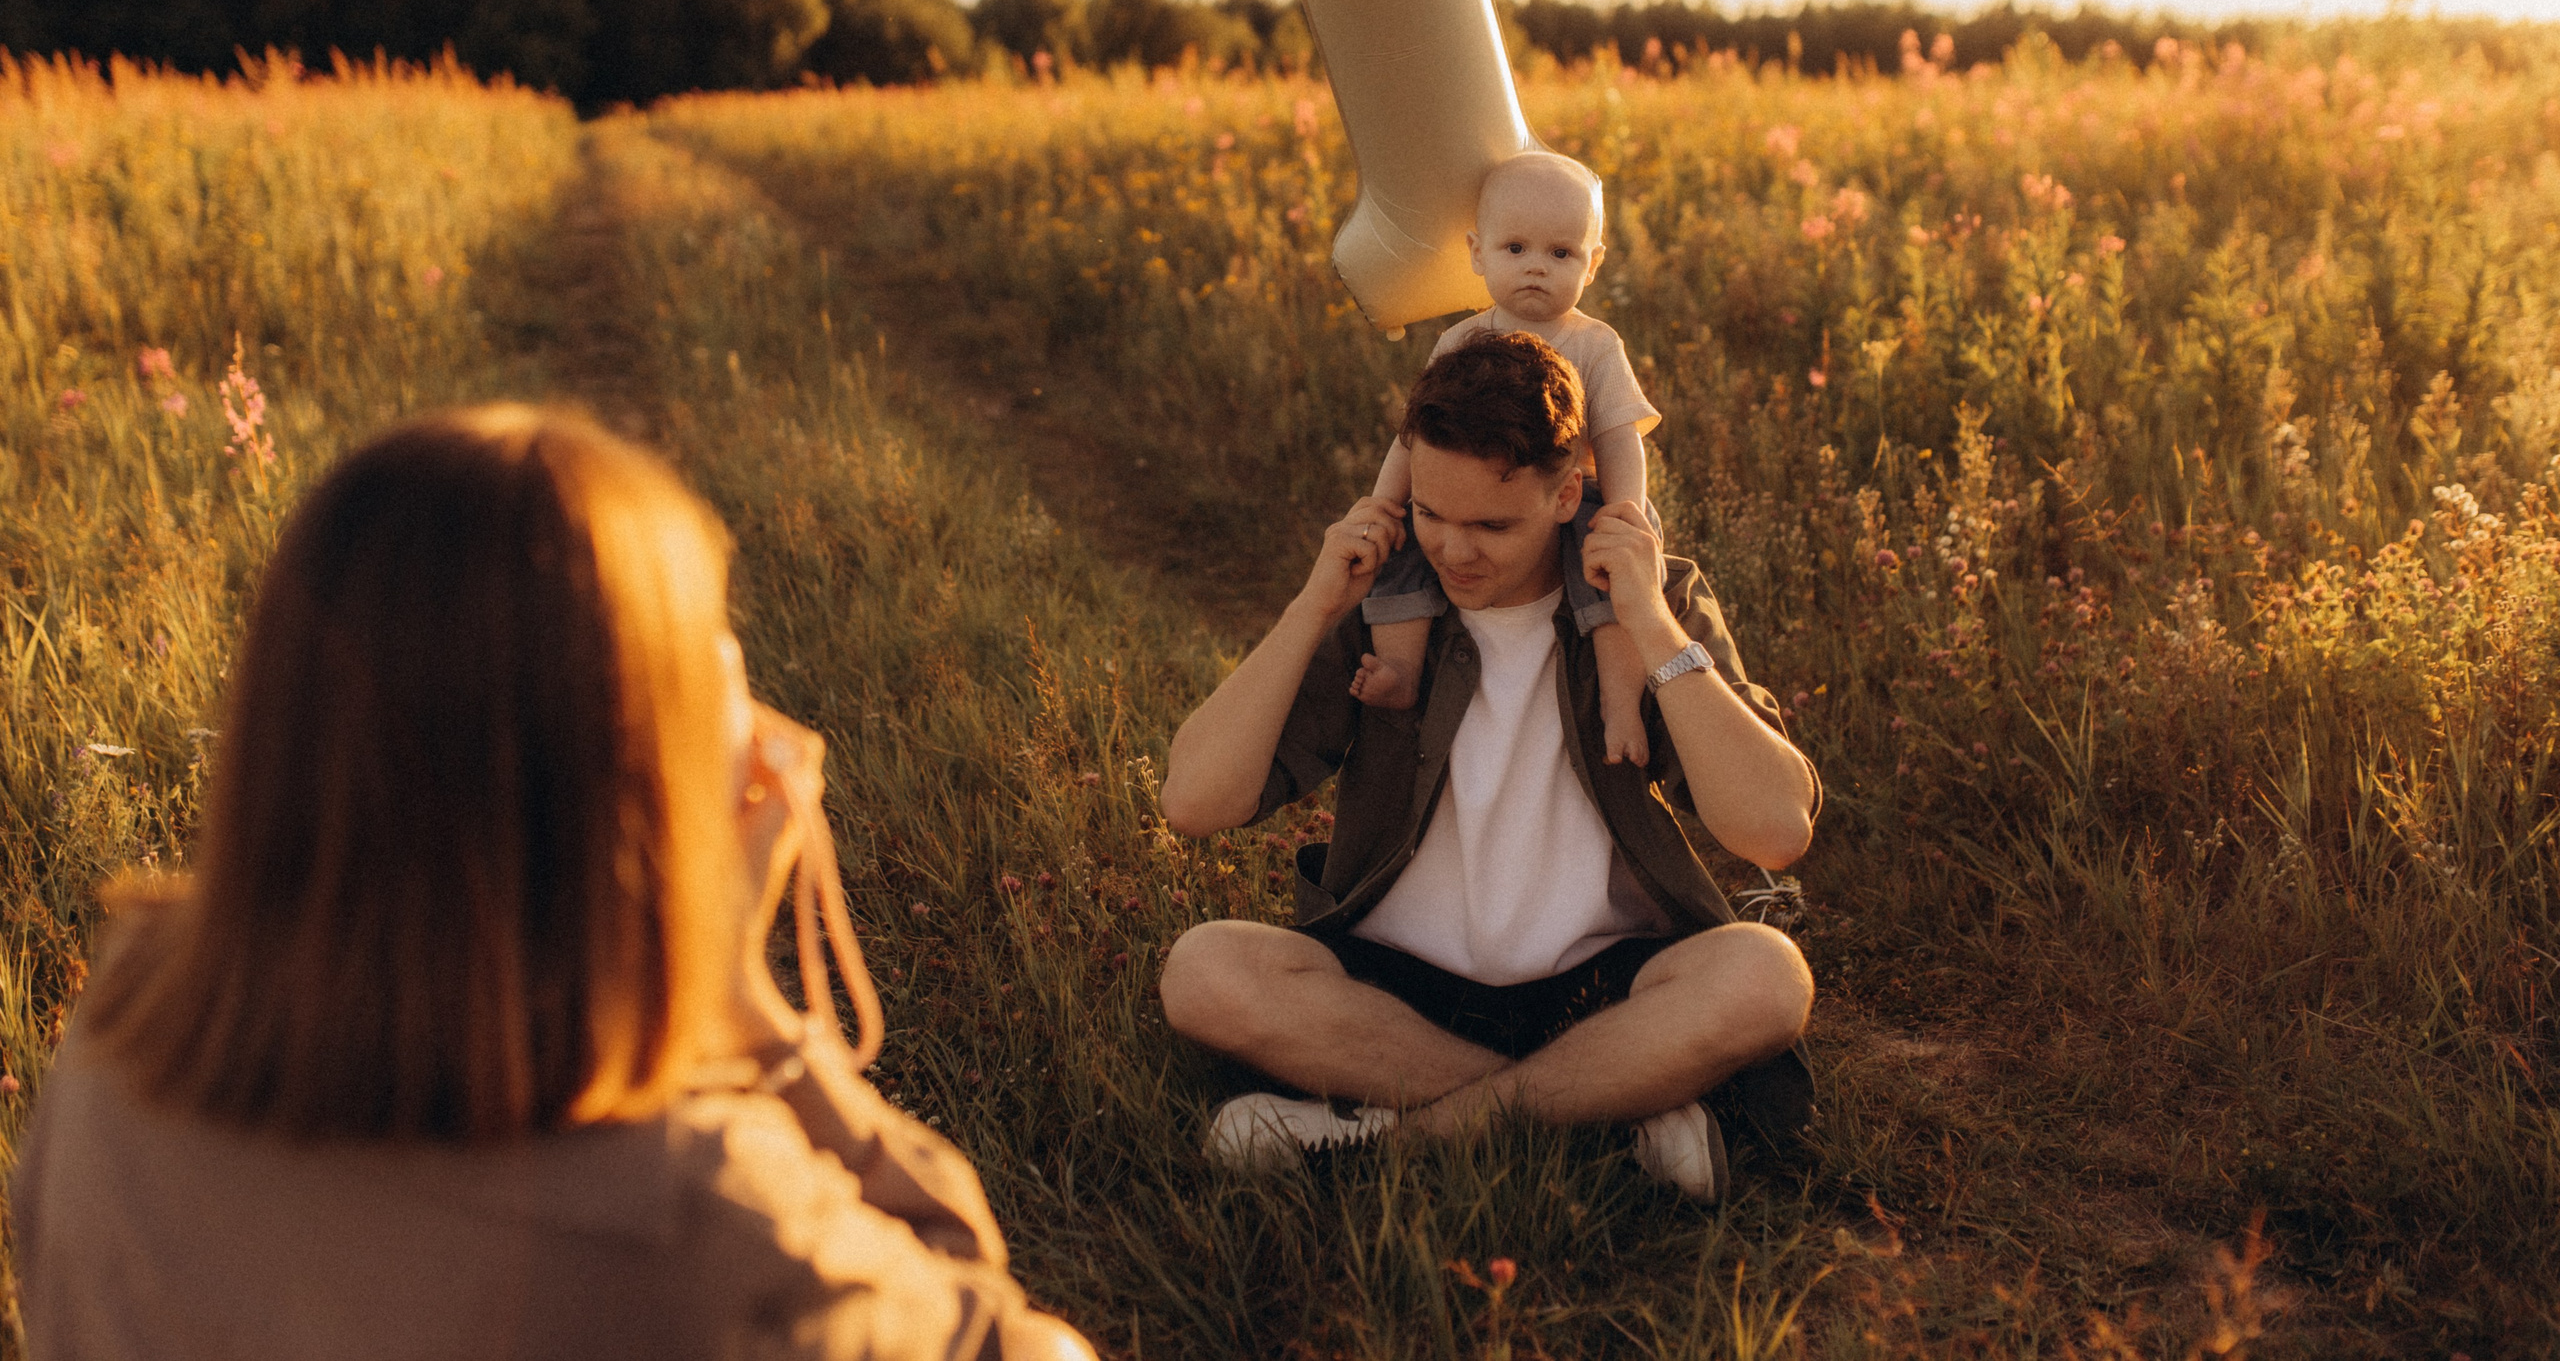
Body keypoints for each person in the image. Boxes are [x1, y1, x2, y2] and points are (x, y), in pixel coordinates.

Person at [11, 406, 1092, 1361]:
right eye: (715, 663)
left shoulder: (121, 1036)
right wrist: (740, 1002)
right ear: (640, 775)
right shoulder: (703, 1225)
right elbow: (993, 1326)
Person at [1156, 333, 1817, 1202]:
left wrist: (1653, 624)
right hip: (1394, 990)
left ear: (1568, 492)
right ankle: (1602, 1113)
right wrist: (1315, 602)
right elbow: (1195, 802)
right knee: (1204, 969)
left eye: (1492, 525)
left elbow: (1774, 827)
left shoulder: (1646, 603)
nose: (1453, 550)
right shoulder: (1389, 604)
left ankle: (1385, 1144)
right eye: (1431, 514)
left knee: (1767, 976)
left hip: (1605, 983)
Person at [1354, 151, 1662, 770]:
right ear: (1477, 252)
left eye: (1560, 254)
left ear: (1592, 262)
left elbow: (1620, 435)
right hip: (1461, 494)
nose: (1535, 270)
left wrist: (1626, 510)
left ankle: (1621, 699)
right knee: (1406, 544)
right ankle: (1400, 668)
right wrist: (1387, 500)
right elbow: (1416, 433)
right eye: (1515, 249)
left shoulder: (1594, 344)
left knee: (1611, 581)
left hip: (1569, 497)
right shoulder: (1462, 339)